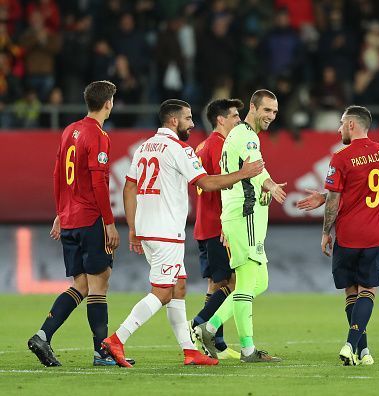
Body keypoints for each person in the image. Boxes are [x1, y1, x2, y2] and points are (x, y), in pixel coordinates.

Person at [101, 99, 264, 368]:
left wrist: (133, 229)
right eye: (188, 118)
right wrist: (242, 173)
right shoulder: (179, 149)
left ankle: (189, 351)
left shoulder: (143, 148)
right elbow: (206, 182)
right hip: (166, 231)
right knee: (164, 291)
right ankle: (118, 338)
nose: (192, 123)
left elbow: (129, 188)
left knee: (178, 288)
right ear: (174, 121)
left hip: (148, 229)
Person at [28, 80, 124, 367]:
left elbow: (58, 174)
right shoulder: (98, 135)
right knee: (99, 284)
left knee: (81, 284)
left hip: (70, 219)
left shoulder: (69, 130)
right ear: (108, 103)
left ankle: (42, 335)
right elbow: (98, 182)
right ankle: (101, 352)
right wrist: (108, 222)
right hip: (90, 219)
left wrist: (60, 212)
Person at [194, 89, 287, 363]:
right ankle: (248, 349)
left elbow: (256, 168)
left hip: (245, 218)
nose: (271, 116)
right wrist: (268, 184)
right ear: (254, 108)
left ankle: (208, 326)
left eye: (275, 112)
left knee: (260, 282)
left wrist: (267, 184)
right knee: (246, 282)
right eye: (267, 110)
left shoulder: (244, 136)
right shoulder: (245, 135)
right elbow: (254, 169)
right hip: (244, 217)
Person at [322, 105, 379, 366]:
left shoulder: (340, 158)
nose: (339, 128)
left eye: (341, 123)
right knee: (367, 291)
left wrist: (326, 232)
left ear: (352, 125)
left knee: (351, 292)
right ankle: (356, 347)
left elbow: (333, 199)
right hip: (377, 233)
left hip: (349, 235)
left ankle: (358, 348)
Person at [188, 98, 244, 360]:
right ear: (220, 119)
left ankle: (217, 343)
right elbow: (227, 186)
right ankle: (198, 324)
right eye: (234, 116)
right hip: (219, 225)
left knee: (215, 283)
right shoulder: (220, 146)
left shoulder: (202, 145)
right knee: (232, 284)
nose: (239, 120)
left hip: (204, 224)